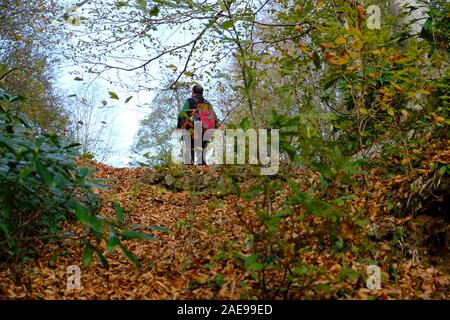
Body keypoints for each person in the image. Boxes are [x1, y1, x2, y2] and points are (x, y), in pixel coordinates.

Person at [177, 84, 219, 165]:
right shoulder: (207, 103)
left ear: (193, 92)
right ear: (202, 93)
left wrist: (179, 126)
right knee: (201, 151)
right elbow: (215, 118)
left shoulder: (189, 101)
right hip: (205, 130)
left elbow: (181, 115)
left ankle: (190, 168)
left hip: (192, 130)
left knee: (190, 150)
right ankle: (203, 167)